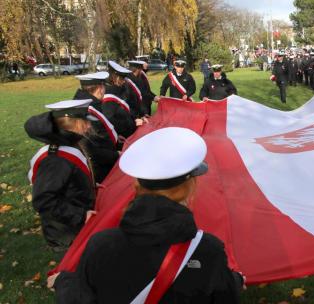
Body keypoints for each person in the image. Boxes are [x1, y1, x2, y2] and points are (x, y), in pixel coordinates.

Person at [51, 127, 245, 302]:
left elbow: (81, 298)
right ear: (189, 186)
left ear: (137, 184)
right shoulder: (209, 250)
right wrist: (235, 281)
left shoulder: (100, 245)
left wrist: (63, 281)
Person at [24, 99, 97, 254]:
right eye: (86, 122)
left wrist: (89, 185)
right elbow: (44, 200)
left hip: (73, 223)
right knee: (71, 268)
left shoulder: (69, 143)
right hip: (66, 231)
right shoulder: (56, 159)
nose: (89, 126)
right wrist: (80, 215)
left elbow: (70, 180)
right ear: (74, 123)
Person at [72, 72, 119, 183]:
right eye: (104, 87)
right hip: (99, 169)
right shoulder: (87, 109)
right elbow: (91, 148)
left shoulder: (88, 104)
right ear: (100, 89)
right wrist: (115, 155)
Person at [103, 61, 142, 139]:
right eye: (122, 78)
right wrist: (133, 123)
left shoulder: (119, 89)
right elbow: (112, 122)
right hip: (122, 136)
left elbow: (126, 111)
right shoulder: (108, 95)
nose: (124, 81)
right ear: (115, 78)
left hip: (129, 131)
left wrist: (135, 118)